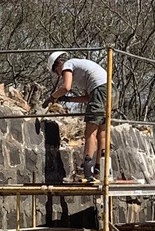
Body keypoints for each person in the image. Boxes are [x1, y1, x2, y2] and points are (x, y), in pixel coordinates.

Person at [47, 51, 109, 179]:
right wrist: (67, 100)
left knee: (90, 133)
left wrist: (52, 97)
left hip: (99, 90)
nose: (59, 74)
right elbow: (87, 97)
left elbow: (66, 87)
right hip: (109, 90)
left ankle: (87, 170)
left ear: (57, 65)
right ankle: (100, 169)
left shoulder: (67, 65)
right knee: (102, 134)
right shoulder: (82, 71)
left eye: (56, 72)